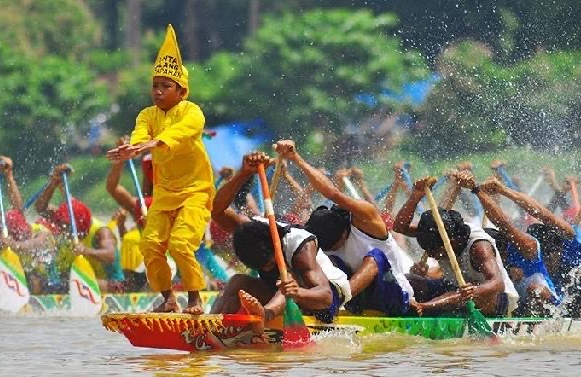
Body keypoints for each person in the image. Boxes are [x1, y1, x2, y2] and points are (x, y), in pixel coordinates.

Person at [107, 24, 214, 314]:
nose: (157, 91)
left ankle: (195, 298)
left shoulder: (192, 112)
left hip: (196, 191)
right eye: (155, 85)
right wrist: (132, 148)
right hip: (165, 192)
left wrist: (148, 145)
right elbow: (140, 135)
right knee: (150, 244)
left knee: (180, 244)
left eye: (165, 86)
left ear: (181, 91)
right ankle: (168, 298)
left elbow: (179, 134)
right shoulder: (146, 115)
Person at [210, 151, 351, 336]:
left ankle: (264, 316)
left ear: (273, 245)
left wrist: (297, 292)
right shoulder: (249, 229)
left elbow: (325, 297)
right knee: (237, 282)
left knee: (286, 279)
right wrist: (243, 173)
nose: (266, 270)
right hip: (283, 294)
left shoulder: (300, 246)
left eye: (268, 263)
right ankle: (211, 327)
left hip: (325, 300)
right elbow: (217, 210)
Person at [274, 140, 415, 317]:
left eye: (334, 246)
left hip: (395, 299)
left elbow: (332, 193)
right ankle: (306, 305)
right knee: (320, 261)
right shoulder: (325, 241)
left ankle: (332, 304)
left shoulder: (366, 220)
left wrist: (296, 158)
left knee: (375, 258)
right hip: (357, 301)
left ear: (344, 233)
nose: (333, 249)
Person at [394, 177, 518, 317]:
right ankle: (419, 309)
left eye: (434, 251)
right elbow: (399, 227)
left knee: (465, 292)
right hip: (455, 290)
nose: (430, 255)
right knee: (409, 280)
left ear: (452, 242)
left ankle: (423, 308)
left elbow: (497, 283)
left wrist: (474, 291)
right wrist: (416, 195)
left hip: (493, 300)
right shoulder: (435, 233)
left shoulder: (479, 247)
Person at [457, 173, 560, 315]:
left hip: (546, 301)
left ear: (502, 251)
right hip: (516, 302)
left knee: (535, 289)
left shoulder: (528, 246)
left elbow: (504, 224)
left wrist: (476, 190)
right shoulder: (485, 257)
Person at [35, 164, 124, 293]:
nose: (61, 227)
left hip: (110, 285)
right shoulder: (67, 219)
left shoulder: (102, 232)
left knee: (75, 282)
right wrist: (53, 183)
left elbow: (110, 255)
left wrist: (86, 251)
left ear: (78, 226)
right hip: (80, 281)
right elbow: (40, 208)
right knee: (42, 281)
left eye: (65, 225)